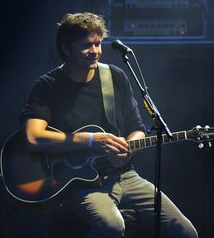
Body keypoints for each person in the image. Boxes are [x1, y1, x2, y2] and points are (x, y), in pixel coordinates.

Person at [19, 12, 198, 238]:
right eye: (86, 46)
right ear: (66, 48)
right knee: (113, 227)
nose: (95, 51)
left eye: (98, 44)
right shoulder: (47, 86)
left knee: (185, 231)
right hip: (80, 183)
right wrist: (92, 139)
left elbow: (137, 128)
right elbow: (33, 137)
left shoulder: (114, 77)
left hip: (125, 175)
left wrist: (127, 149)